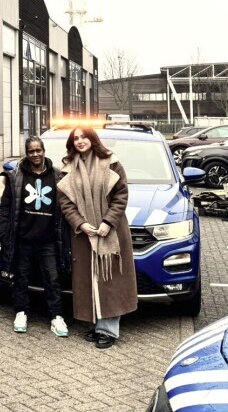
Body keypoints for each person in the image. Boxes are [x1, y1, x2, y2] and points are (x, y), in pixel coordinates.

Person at [56, 126, 137, 349]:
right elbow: (65, 202)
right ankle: (94, 324)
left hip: (111, 232)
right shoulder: (68, 168)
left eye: (84, 137)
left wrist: (107, 222)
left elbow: (121, 195)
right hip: (84, 236)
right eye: (76, 138)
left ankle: (108, 330)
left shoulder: (112, 162)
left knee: (109, 280)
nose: (80, 141)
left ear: (93, 139)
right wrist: (81, 224)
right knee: (88, 280)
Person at [0, 136, 69, 337]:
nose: (35, 154)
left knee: (52, 278)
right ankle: (21, 312)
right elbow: (6, 207)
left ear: (44, 151)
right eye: (31, 151)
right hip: (23, 238)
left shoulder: (58, 176)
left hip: (48, 239)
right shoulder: (16, 176)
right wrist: (4, 233)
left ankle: (57, 316)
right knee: (21, 277)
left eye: (38, 150)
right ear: (26, 153)